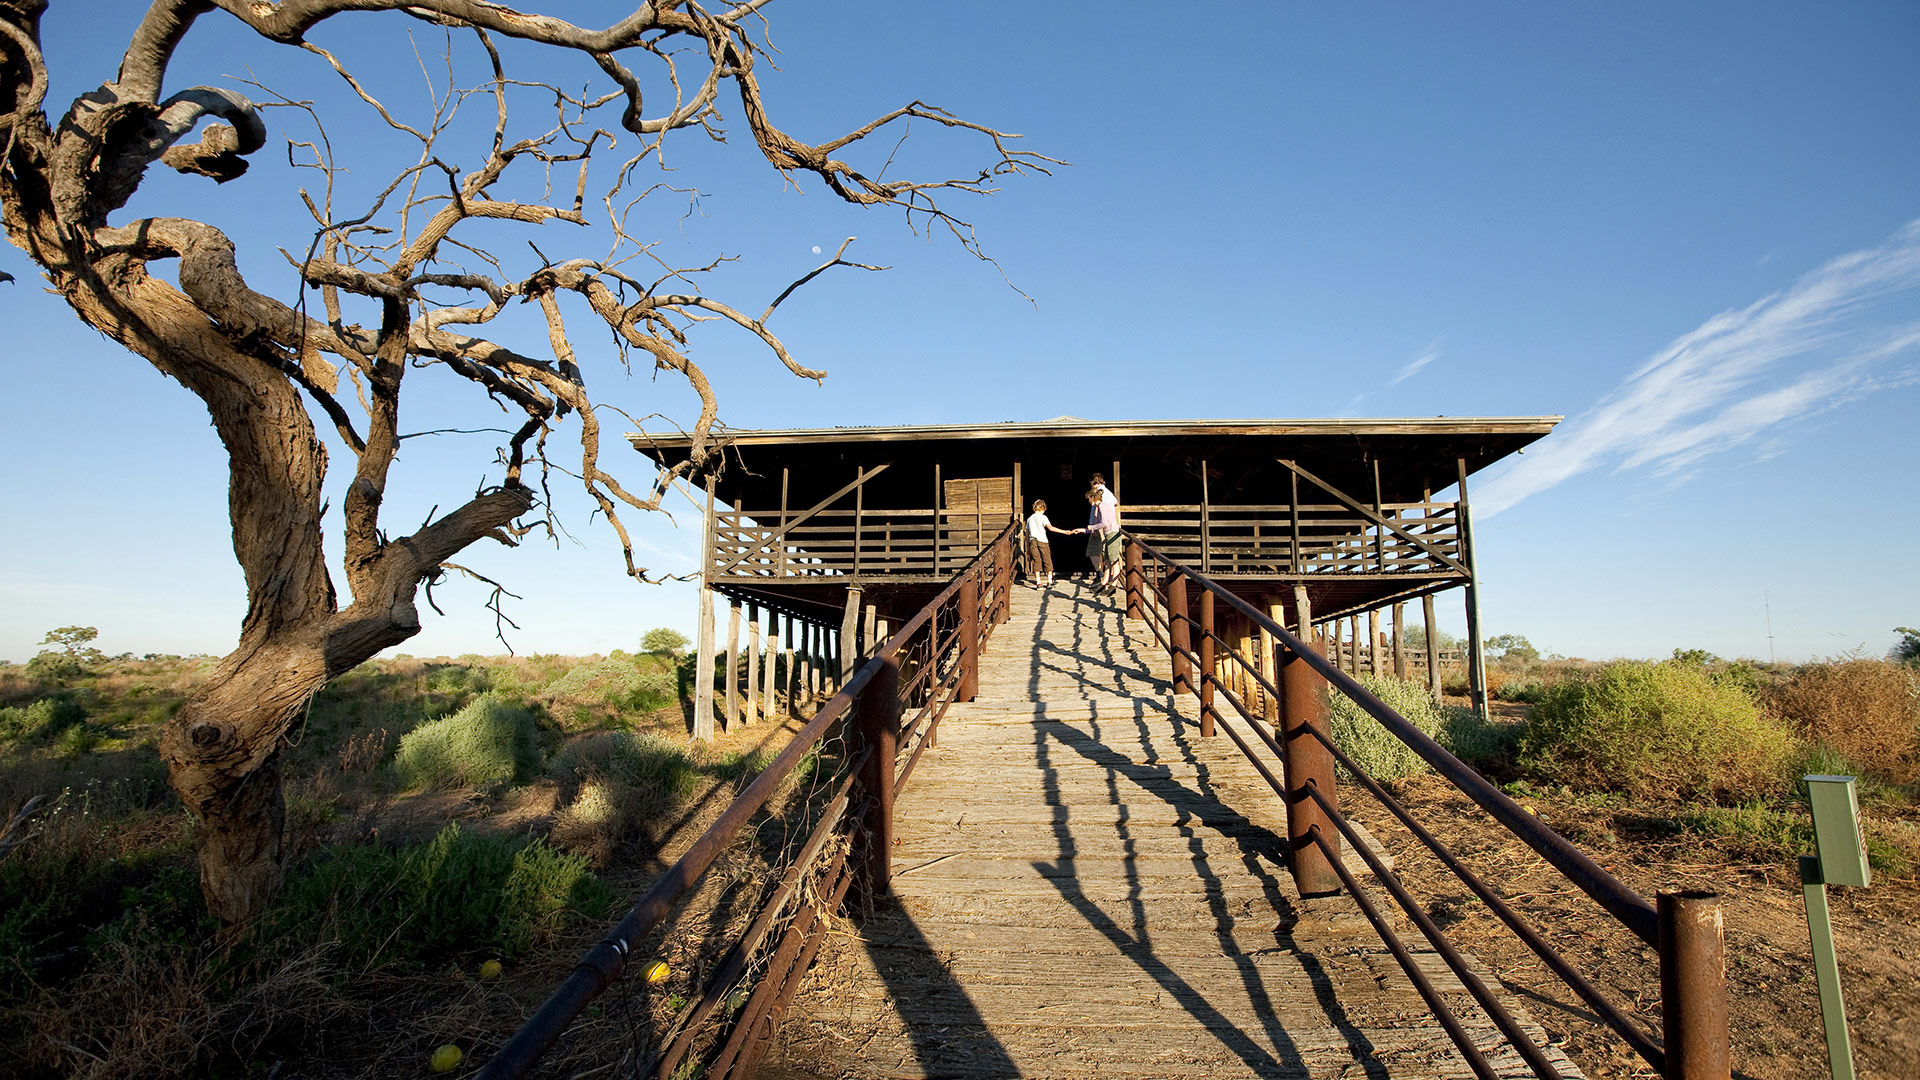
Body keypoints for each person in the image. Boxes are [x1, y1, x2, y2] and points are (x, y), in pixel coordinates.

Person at [1024, 499, 1070, 588]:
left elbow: (1027, 534)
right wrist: (1065, 532)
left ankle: (1038, 582)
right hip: (1042, 540)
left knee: (1036, 560)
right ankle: (1049, 581)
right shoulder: (1043, 517)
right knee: (1047, 560)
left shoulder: (1030, 518)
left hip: (1032, 541)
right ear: (1042, 508)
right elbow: (1051, 528)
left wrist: (1028, 547)